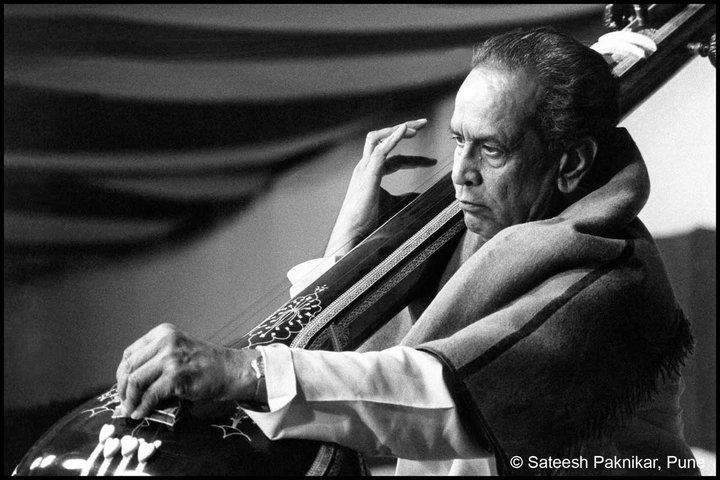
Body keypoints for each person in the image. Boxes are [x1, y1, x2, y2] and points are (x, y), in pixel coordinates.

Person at [115, 27, 699, 475]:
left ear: (570, 164)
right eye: (458, 141)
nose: (459, 176)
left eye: (491, 150)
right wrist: (349, 241)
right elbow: (349, 350)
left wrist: (241, 369)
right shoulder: (488, 234)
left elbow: (440, 397)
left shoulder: (614, 276)